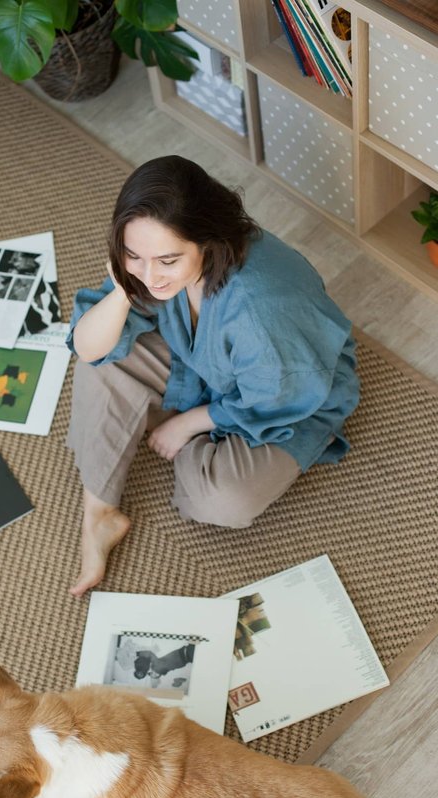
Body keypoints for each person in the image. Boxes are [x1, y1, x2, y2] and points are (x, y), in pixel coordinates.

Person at [66, 156, 359, 597]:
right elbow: (89, 347)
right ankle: (99, 510)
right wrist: (125, 291)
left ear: (208, 240)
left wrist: (191, 420)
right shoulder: (151, 272)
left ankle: (178, 432)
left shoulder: (260, 310)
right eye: (133, 255)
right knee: (102, 356)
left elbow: (279, 398)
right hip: (203, 364)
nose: (149, 275)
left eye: (167, 260)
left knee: (224, 500)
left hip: (286, 399)